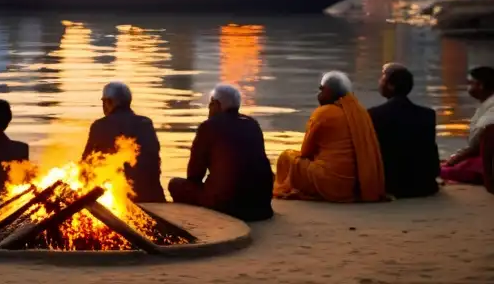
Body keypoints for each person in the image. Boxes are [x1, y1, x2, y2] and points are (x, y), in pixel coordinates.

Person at [273, 71, 385, 203]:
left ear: (330, 92)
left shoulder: (323, 113)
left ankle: (283, 188)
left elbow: (305, 152)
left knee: (287, 157)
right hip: (356, 183)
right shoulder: (360, 112)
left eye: (321, 90)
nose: (318, 94)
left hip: (330, 182)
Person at [167, 84, 274, 221]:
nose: (208, 108)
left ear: (217, 104)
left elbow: (194, 174)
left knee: (175, 184)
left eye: (211, 103)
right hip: (261, 207)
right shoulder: (252, 124)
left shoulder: (208, 126)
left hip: (227, 207)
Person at [82, 82, 165, 203]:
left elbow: (85, 165)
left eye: (104, 102)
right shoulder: (146, 123)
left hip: (123, 197)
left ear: (109, 102)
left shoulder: (100, 126)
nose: (103, 106)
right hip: (154, 195)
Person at [367, 63, 439, 198]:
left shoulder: (374, 115)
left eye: (382, 79)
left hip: (391, 184)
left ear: (391, 86)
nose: (379, 83)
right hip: (424, 185)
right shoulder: (428, 114)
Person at [440, 66, 494, 185]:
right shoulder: (487, 105)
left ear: (480, 85)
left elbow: (480, 141)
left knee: (444, 170)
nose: (468, 88)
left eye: (470, 83)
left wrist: (456, 159)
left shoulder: (491, 108)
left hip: (487, 161)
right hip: (484, 156)